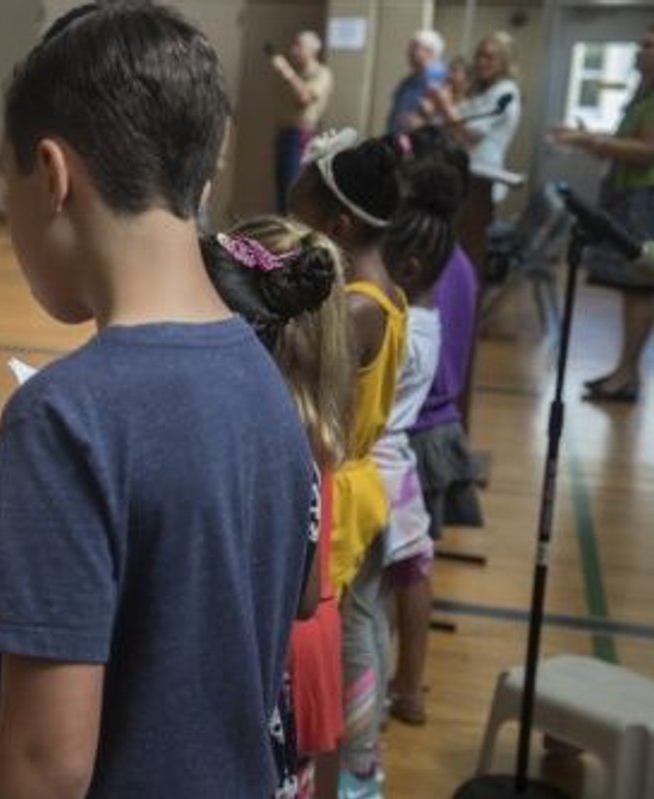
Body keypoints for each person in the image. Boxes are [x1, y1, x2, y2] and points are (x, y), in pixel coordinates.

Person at [0, 5, 314, 797]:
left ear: (51, 176)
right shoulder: (260, 370)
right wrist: (24, 615)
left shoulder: (66, 415)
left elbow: (45, 763)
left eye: (2, 179)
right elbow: (196, 623)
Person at [202, 216, 351, 799]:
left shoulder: (272, 434)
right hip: (293, 644)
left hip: (276, 649)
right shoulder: (307, 415)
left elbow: (301, 589)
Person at [288, 130, 405, 799]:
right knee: (345, 642)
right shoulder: (381, 290)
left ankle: (331, 779)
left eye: (294, 219)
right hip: (358, 484)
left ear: (336, 225)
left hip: (335, 497)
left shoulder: (354, 307)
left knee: (320, 671)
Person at [379, 127, 473, 729]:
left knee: (397, 578)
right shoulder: (457, 261)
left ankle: (393, 687)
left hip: (414, 437)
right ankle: (407, 687)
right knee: (412, 569)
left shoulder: (401, 321)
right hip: (431, 431)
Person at [552, 25, 654, 403]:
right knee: (630, 288)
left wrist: (587, 139)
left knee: (641, 286)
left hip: (646, 198)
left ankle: (628, 374)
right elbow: (623, 144)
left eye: (648, 44)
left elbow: (647, 151)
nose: (639, 49)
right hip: (628, 193)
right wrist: (591, 140)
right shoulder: (642, 93)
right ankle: (624, 369)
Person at [429, 32, 521, 202]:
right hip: (463, 179)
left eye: (489, 57)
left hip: (479, 184)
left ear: (504, 62)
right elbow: (449, 125)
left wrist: (445, 106)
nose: (480, 63)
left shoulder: (504, 92)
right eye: (479, 55)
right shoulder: (484, 92)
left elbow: (470, 135)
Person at [271, 31, 334, 214]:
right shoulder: (297, 73)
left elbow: (304, 98)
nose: (293, 50)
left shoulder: (322, 73)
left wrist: (286, 72)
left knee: (293, 190)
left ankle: (294, 238)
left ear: (313, 49)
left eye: (299, 45)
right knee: (282, 191)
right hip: (285, 135)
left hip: (300, 137)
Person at [386, 30, 446, 134]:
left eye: (415, 47)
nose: (409, 52)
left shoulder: (439, 78)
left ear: (430, 52)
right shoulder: (410, 80)